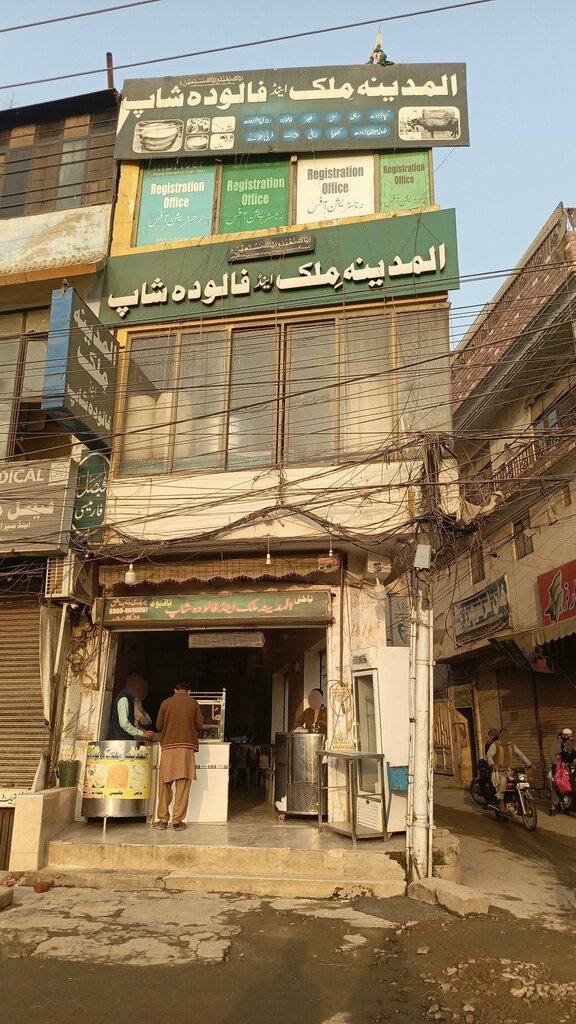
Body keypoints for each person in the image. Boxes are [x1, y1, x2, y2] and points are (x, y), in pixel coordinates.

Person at [154, 682, 204, 832]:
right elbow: (200, 725)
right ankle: (177, 821)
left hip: (168, 748)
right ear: (189, 691)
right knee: (182, 786)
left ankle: (163, 820)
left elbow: (158, 726)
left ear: (174, 689)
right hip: (186, 749)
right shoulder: (193, 703)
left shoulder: (166, 703)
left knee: (164, 785)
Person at [487, 728, 531, 814]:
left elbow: (520, 754)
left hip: (509, 770)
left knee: (521, 779)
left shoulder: (512, 745)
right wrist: (493, 765)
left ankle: (521, 799)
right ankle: (501, 802)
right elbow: (489, 756)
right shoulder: (494, 745)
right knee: (503, 780)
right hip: (497, 772)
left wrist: (529, 763)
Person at [108, 673, 154, 741]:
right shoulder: (124, 699)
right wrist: (142, 733)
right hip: (120, 740)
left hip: (122, 739)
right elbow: (124, 724)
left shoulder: (129, 698)